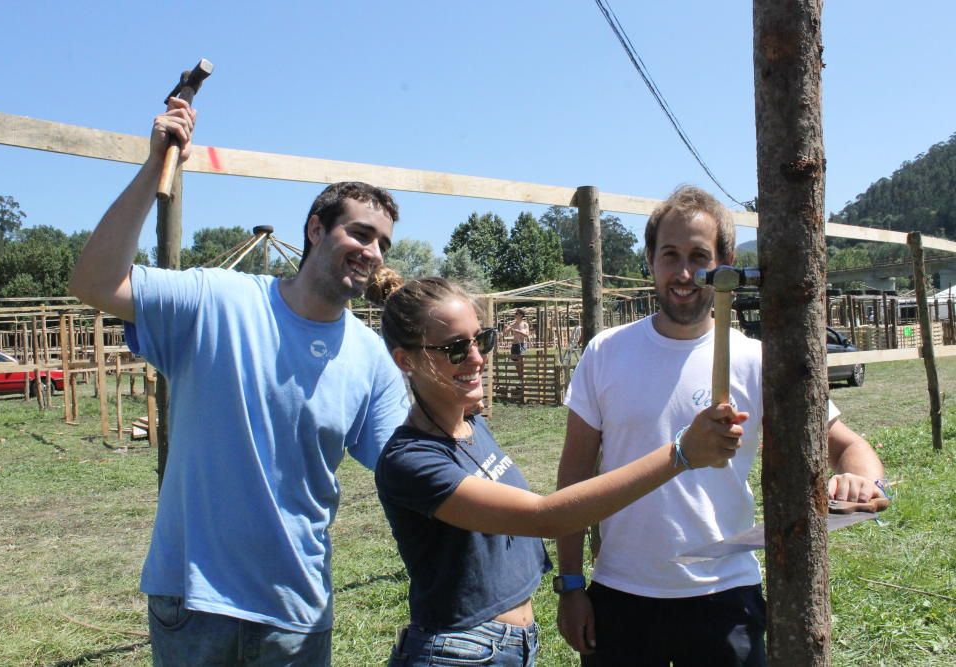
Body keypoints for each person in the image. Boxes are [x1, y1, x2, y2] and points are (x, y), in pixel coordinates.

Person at [68, 97, 410, 666]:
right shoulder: (216, 300)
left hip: (295, 608)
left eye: (383, 243)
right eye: (361, 233)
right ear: (316, 228)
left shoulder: (370, 356)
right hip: (194, 599)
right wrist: (155, 164)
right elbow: (95, 281)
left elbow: (404, 462)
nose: (373, 252)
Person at [555, 185, 888, 666]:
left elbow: (849, 444)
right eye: (670, 255)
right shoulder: (606, 353)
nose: (685, 273)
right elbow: (574, 478)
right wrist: (570, 585)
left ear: (725, 262)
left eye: (699, 256)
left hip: (725, 597)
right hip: (620, 592)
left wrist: (864, 480)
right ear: (650, 260)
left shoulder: (755, 360)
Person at [367, 270, 748, 667]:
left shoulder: (470, 426)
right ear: (405, 359)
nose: (479, 358)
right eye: (456, 349)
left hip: (509, 646)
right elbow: (545, 518)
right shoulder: (410, 460)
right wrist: (680, 455)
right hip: (457, 652)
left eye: (482, 339)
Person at [503, 308, 531, 389]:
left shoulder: (525, 324)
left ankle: (523, 381)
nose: (515, 315)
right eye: (515, 313)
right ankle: (520, 381)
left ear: (521, 315)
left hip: (521, 345)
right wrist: (505, 328)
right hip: (514, 345)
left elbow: (526, 335)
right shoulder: (512, 324)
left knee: (521, 364)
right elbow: (505, 333)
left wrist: (518, 331)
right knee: (517, 365)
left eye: (517, 313)